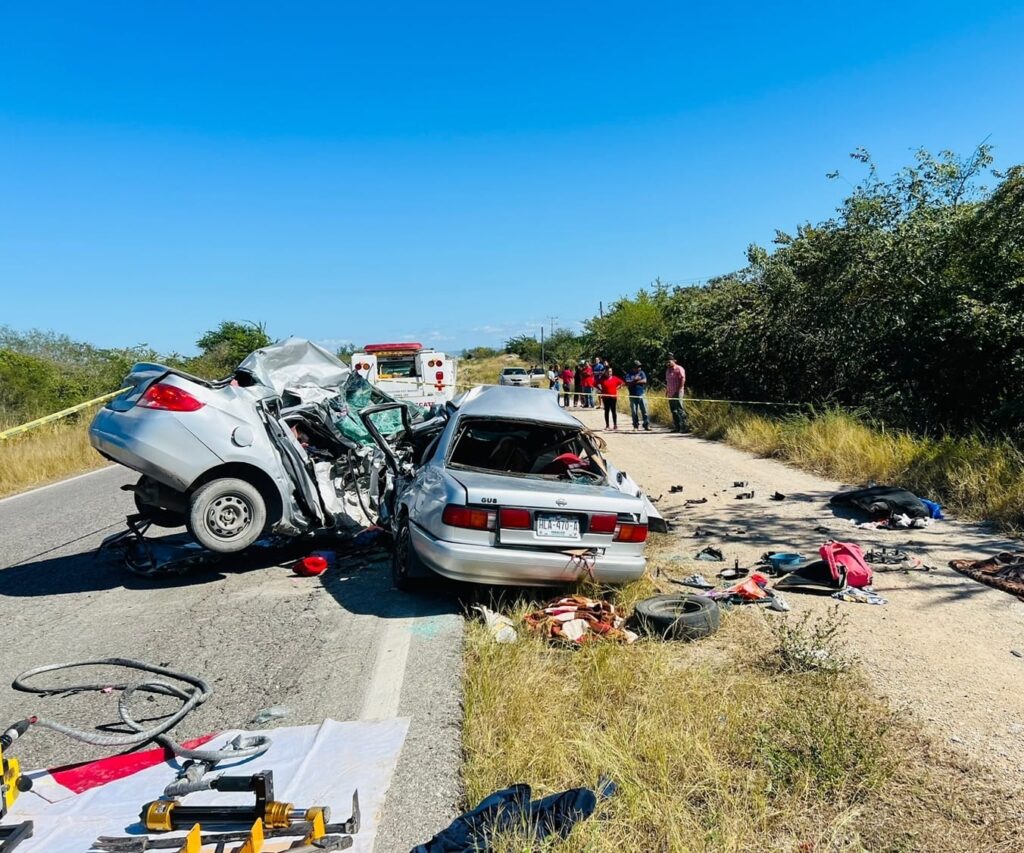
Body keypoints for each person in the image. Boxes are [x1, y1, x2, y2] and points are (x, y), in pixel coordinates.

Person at [665, 353, 689, 433]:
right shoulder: (668, 370)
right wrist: (667, 391)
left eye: (669, 361)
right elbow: (668, 381)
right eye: (667, 362)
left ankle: (685, 427)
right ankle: (677, 427)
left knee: (680, 409)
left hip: (678, 392)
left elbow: (683, 379)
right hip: (670, 393)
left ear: (674, 361)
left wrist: (679, 389)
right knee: (673, 410)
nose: (668, 363)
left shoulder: (679, 368)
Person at [624, 359, 650, 431]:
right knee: (634, 411)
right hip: (632, 395)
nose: (639, 368)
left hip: (641, 394)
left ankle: (646, 425)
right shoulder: (629, 374)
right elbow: (627, 383)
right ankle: (635, 426)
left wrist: (635, 381)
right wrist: (635, 380)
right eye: (638, 367)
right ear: (634, 367)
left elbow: (644, 381)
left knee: (644, 410)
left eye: (640, 366)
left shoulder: (642, 373)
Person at [598, 366, 625, 430]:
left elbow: (622, 383)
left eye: (611, 371)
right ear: (606, 372)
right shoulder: (602, 379)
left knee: (613, 411)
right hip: (605, 397)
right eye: (608, 371)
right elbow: (596, 383)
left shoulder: (615, 378)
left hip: (613, 397)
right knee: (606, 411)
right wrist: (600, 388)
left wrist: (618, 387)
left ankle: (615, 425)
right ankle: (607, 425)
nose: (610, 372)